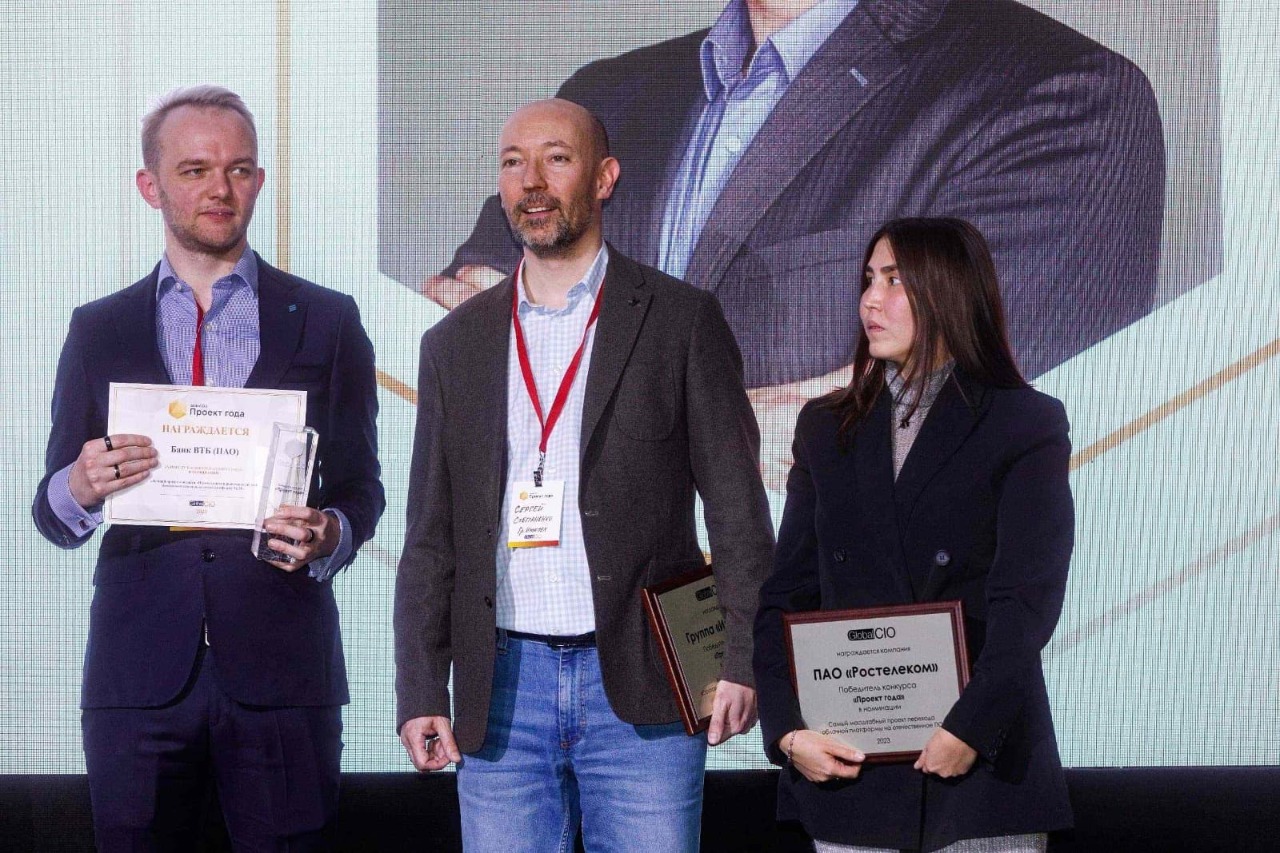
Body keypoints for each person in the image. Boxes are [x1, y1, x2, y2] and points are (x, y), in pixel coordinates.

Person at [420, 0, 1164, 488]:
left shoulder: (1063, 94)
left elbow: (947, 408)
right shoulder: (608, 96)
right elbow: (469, 318)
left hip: (857, 651)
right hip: (582, 620)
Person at [394, 98, 774, 852]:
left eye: (556, 159)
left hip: (646, 679)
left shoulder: (680, 320)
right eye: (513, 162)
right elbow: (430, 535)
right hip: (501, 691)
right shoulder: (454, 343)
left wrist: (743, 657)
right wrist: (419, 688)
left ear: (604, 178)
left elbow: (738, 512)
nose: (531, 181)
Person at [32, 86, 384, 851]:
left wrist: (331, 532)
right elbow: (51, 510)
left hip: (285, 674)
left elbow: (363, 486)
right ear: (150, 185)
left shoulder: (328, 320)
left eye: (239, 169)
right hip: (137, 680)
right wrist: (78, 487)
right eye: (194, 169)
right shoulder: (98, 328)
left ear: (259, 180)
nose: (220, 188)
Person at [752, 218, 1074, 852]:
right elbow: (785, 595)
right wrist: (787, 732)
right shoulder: (825, 427)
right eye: (869, 279)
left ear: (949, 291)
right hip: (851, 768)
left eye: (894, 281)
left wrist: (971, 728)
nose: (870, 300)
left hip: (980, 771)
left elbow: (1027, 600)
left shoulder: (1025, 423)